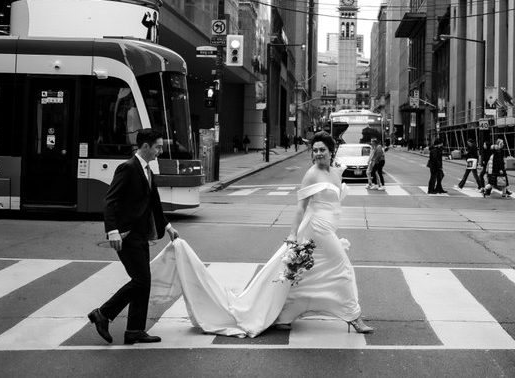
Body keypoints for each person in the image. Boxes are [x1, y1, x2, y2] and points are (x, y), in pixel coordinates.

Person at [148, 131, 374, 337]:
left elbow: (333, 203)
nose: (317, 154)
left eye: (322, 149)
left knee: (307, 274)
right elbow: (300, 208)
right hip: (317, 229)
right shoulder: (311, 175)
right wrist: (293, 235)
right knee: (343, 269)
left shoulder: (335, 173)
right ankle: (354, 316)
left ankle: (284, 315)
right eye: (314, 150)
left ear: (330, 149)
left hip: (328, 228)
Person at [88, 129, 180, 345]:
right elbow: (110, 201)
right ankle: (102, 313)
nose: (160, 151)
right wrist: (112, 231)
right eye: (157, 146)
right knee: (141, 281)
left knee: (143, 282)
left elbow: (153, 204)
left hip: (140, 235)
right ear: (145, 146)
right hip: (126, 235)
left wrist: (167, 227)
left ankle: (134, 330)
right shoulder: (128, 168)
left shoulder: (148, 171)